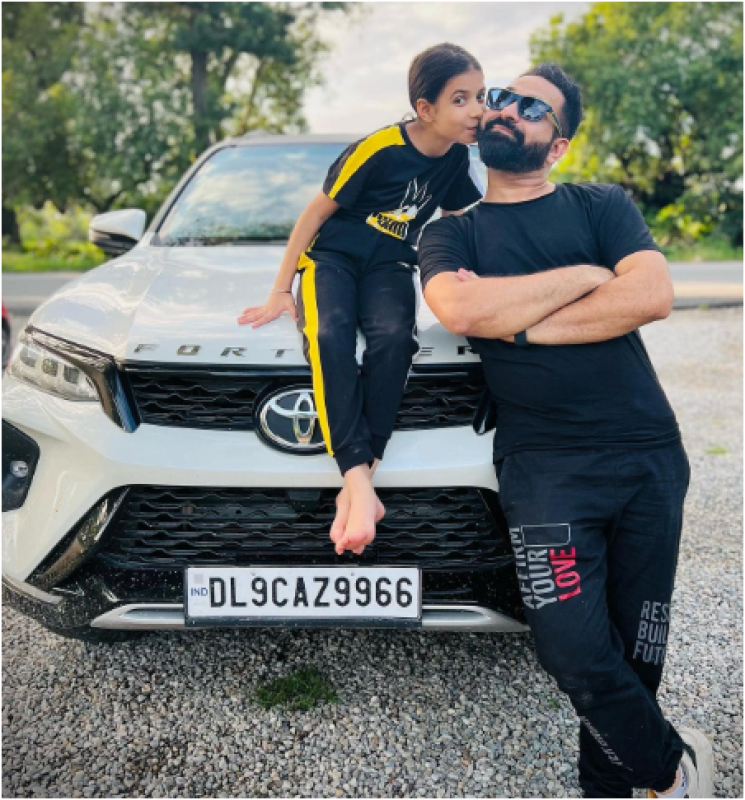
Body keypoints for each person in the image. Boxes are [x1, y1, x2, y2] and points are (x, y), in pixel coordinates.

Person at [418, 62, 714, 799]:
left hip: (647, 452)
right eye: (501, 97)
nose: (505, 109)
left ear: (558, 147)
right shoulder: (450, 232)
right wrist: (587, 276)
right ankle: (671, 768)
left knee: (637, 652)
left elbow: (650, 294)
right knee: (571, 647)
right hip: (545, 464)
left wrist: (518, 326)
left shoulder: (600, 204)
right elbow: (462, 311)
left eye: (531, 107)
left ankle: (611, 790)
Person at [238, 43, 485, 556]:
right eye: (461, 99)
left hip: (390, 265)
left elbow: (457, 219)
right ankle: (358, 480)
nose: (477, 110)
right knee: (329, 334)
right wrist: (280, 289)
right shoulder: (378, 149)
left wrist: (468, 272)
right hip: (331, 259)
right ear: (425, 109)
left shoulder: (457, 158)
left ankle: (357, 486)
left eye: (480, 96)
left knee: (395, 339)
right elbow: (314, 214)